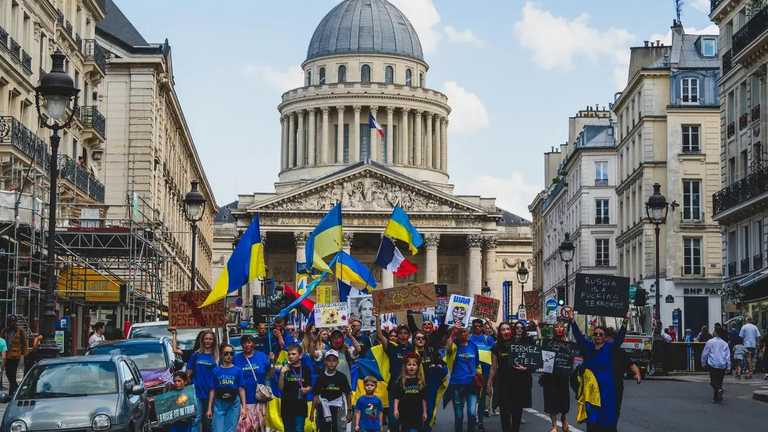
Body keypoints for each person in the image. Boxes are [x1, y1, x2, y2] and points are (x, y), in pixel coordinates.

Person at [568, 310, 627, 432]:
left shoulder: (610, 348)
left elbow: (620, 338)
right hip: (591, 392)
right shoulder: (588, 348)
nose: (598, 336)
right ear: (592, 336)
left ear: (605, 337)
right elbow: (578, 337)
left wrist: (625, 321)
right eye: (596, 334)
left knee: (608, 421)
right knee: (593, 421)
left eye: (601, 334)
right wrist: (572, 321)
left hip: (608, 392)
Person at [487, 321, 532, 432]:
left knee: (517, 411)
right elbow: (494, 367)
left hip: (519, 382)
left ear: (511, 331)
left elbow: (530, 359)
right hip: (503, 383)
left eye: (508, 329)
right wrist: (489, 383)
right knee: (505, 412)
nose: (506, 331)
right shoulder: (496, 346)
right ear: (500, 332)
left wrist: (525, 368)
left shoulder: (518, 343)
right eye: (503, 329)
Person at [376, 316, 413, 432]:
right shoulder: (392, 347)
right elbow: (380, 336)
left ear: (409, 335)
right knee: (393, 420)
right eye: (400, 333)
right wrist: (377, 318)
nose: (402, 335)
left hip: (409, 387)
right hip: (394, 387)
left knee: (407, 418)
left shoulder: (413, 348)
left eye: (405, 333)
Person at [446, 325, 481, 432]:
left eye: (465, 331)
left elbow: (477, 364)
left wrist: (479, 378)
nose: (463, 334)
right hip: (456, 384)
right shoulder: (454, 346)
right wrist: (452, 333)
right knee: (459, 414)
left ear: (469, 333)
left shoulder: (473, 346)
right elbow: (447, 348)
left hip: (472, 384)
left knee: (471, 413)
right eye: (460, 332)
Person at [233, 335, 271, 432]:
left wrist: (272, 361)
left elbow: (269, 374)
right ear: (241, 345)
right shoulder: (236, 359)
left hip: (260, 399)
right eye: (244, 342)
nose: (247, 345)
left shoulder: (262, 356)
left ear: (253, 343)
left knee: (261, 427)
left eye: (249, 342)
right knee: (246, 428)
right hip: (244, 400)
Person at [207, 344, 247, 432]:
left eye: (231, 353)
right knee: (218, 429)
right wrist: (209, 408)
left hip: (234, 403)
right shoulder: (215, 370)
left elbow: (241, 389)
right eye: (226, 353)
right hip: (219, 402)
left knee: (231, 429)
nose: (229, 356)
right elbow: (212, 389)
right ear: (221, 354)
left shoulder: (238, 370)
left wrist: (244, 407)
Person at [539, 322, 571, 432]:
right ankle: (554, 426)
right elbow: (541, 353)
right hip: (549, 377)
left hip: (563, 376)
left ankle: (564, 418)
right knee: (551, 401)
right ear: (553, 329)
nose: (559, 329)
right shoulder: (548, 342)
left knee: (564, 401)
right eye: (556, 327)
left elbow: (573, 358)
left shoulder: (569, 343)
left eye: (561, 327)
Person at [311, 350, 352, 432]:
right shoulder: (321, 377)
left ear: (337, 362)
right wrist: (312, 412)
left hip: (338, 408)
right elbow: (316, 395)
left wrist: (349, 411)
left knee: (337, 429)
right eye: (329, 360)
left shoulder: (342, 377)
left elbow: (348, 394)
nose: (331, 363)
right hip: (323, 407)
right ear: (325, 362)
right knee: (323, 429)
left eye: (334, 360)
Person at [605, 326, 641, 416]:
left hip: (616, 387)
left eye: (609, 338)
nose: (608, 341)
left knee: (614, 411)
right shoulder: (599, 350)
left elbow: (631, 364)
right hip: (602, 387)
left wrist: (638, 374)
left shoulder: (620, 352)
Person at [188, 330, 219, 432]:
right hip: (197, 392)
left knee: (209, 420)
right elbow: (189, 373)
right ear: (202, 340)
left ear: (214, 341)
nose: (208, 341)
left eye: (210, 339)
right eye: (206, 339)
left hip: (212, 393)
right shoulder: (196, 355)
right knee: (196, 419)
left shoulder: (217, 356)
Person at [279, 344, 313, 432]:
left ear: (300, 355)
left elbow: (310, 386)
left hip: (300, 407)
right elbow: (280, 388)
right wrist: (282, 374)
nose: (290, 356)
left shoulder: (306, 369)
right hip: (286, 407)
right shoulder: (285, 369)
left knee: (299, 429)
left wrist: (307, 390)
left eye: (293, 354)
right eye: (289, 354)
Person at [469, 319, 495, 427]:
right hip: (471, 371)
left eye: (479, 326)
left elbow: (495, 351)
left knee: (482, 396)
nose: (477, 328)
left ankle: (480, 421)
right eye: (475, 326)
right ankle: (472, 417)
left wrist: (492, 326)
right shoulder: (468, 338)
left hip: (485, 371)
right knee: (472, 396)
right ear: (472, 327)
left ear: (483, 327)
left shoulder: (488, 339)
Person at [392, 353, 427, 432]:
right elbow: (396, 397)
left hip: (417, 412)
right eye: (409, 364)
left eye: (414, 365)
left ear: (417, 367)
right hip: (404, 412)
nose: (411, 366)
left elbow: (423, 399)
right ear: (405, 366)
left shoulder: (420, 382)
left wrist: (424, 412)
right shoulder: (401, 381)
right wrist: (395, 409)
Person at [701, 326, 731, 403]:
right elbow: (728, 355)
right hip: (722, 364)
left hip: (713, 363)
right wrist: (728, 366)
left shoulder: (710, 342)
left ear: (716, 332)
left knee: (713, 381)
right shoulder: (725, 343)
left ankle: (718, 391)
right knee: (719, 381)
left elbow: (705, 353)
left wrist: (703, 362)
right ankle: (717, 397)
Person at [1, 315, 27, 394]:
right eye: (10, 321)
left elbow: (24, 343)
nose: (12, 323)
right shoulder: (5, 331)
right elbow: (1, 341)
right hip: (6, 355)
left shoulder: (20, 331)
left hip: (15, 356)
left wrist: (24, 354)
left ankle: (12, 393)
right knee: (8, 373)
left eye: (14, 321)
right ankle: (17, 390)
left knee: (12, 374)